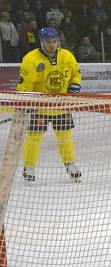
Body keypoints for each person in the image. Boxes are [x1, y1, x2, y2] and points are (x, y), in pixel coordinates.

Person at [16, 27, 82, 183]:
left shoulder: (67, 56)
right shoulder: (31, 59)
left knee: (65, 137)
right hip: (40, 108)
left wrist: (74, 85)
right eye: (48, 42)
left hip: (61, 106)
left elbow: (76, 74)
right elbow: (24, 85)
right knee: (34, 138)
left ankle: (70, 164)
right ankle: (29, 167)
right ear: (41, 42)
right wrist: (28, 101)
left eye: (54, 41)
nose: (52, 45)